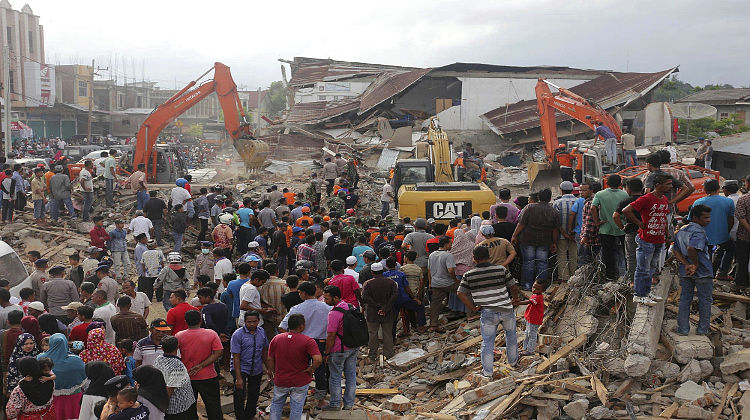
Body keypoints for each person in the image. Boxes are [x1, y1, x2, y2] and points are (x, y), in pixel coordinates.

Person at [457, 246, 520, 375]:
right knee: (512, 337)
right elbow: (513, 287)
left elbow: (460, 293)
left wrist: (472, 308)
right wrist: (515, 299)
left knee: (488, 343)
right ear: (489, 257)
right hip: (506, 309)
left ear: (474, 259)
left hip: (487, 313)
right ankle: (513, 363)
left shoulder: (468, 275)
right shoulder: (501, 269)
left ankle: (488, 373)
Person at [623, 173, 672, 306]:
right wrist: (639, 223)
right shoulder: (646, 198)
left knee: (651, 268)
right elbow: (626, 210)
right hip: (646, 239)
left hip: (658, 239)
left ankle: (646, 292)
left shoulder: (664, 199)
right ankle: (639, 295)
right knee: (642, 268)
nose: (671, 186)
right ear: (658, 185)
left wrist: (666, 235)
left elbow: (663, 219)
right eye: (668, 184)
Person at [278, 281, 331, 403]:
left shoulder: (297, 309)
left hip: (301, 342)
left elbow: (282, 327)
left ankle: (299, 394)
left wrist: (290, 339)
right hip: (321, 342)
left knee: (300, 368)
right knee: (320, 369)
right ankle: (320, 397)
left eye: (300, 292)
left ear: (304, 293)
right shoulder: (327, 308)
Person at [268, 313, 322, 420]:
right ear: (302, 326)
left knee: (276, 405)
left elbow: (270, 359)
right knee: (296, 408)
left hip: (281, 379)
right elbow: (318, 359)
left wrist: (273, 372)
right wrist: (311, 369)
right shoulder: (308, 341)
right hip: (300, 381)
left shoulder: (276, 339)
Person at [175, 310, 224, 420]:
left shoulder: (179, 335)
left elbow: (176, 355)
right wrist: (201, 365)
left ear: (186, 322)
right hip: (208, 376)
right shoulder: (211, 334)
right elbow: (219, 352)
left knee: (189, 407)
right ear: (201, 320)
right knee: (213, 406)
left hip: (187, 376)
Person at [673, 204, 713, 335]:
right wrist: (695, 264)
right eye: (706, 217)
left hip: (686, 271)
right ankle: (703, 329)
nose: (709, 220)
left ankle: (683, 329)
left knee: (685, 298)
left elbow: (675, 251)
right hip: (702, 270)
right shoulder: (699, 231)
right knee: (705, 300)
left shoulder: (682, 230)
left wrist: (686, 264)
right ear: (695, 218)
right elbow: (691, 248)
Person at [511, 188, 559, 289]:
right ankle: (541, 286)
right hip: (544, 241)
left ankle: (528, 285)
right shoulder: (553, 210)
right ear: (550, 198)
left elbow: (521, 224)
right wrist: (554, 242)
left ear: (538, 197)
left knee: (528, 262)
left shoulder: (529, 208)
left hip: (527, 240)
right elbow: (555, 229)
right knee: (542, 263)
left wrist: (514, 235)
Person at [321, 285, 358, 411]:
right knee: (351, 375)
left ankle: (335, 403)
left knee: (335, 377)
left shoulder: (334, 313)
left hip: (339, 349)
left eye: (326, 298)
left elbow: (331, 335)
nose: (325, 301)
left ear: (335, 297)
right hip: (353, 347)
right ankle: (349, 404)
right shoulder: (350, 306)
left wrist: (326, 353)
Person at [691, 179, 735, 280]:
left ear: (705, 189)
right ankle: (722, 273)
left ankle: (707, 275)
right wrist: (725, 232)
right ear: (718, 188)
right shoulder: (728, 201)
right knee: (730, 249)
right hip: (723, 235)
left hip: (704, 235)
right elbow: (731, 220)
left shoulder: (698, 202)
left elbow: (692, 220)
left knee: (707, 254)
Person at [37, 333, 87, 420]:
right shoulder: (76, 360)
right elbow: (83, 378)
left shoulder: (41, 359)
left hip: (49, 399)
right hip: (74, 399)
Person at [231, 311, 271, 420]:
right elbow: (236, 356)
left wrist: (269, 369)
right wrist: (238, 378)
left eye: (254, 321)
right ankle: (240, 416)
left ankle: (249, 415)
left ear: (258, 321)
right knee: (240, 394)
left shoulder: (261, 332)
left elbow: (264, 351)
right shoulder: (238, 334)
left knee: (254, 394)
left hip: (256, 368)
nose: (252, 324)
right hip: (241, 367)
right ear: (245, 322)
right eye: (249, 322)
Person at [591, 175, 629, 280]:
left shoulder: (600, 194)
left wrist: (597, 222)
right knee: (626, 253)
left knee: (608, 254)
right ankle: (627, 275)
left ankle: (610, 276)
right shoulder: (624, 194)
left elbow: (593, 208)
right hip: (622, 227)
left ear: (607, 183)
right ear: (620, 184)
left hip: (605, 228)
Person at [152, 335, 197, 419]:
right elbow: (170, 388)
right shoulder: (177, 365)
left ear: (162, 348)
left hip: (168, 402)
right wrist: (163, 405)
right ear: (177, 347)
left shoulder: (159, 359)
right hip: (177, 405)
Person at [361, 262, 398, 360]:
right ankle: (389, 354)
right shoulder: (391, 283)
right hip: (388, 312)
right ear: (382, 271)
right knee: (387, 334)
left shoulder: (368, 283)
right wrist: (385, 308)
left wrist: (377, 306)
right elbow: (394, 296)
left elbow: (365, 297)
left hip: (373, 313)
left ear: (372, 272)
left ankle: (373, 354)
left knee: (372, 334)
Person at [613, 177, 645, 284]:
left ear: (629, 190)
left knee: (631, 257)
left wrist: (622, 227)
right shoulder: (647, 199)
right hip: (647, 232)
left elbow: (616, 216)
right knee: (647, 256)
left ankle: (633, 281)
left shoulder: (626, 201)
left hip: (631, 232)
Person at [553, 181, 579, 281]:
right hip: (575, 235)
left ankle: (564, 278)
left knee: (562, 255)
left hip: (561, 235)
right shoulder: (579, 201)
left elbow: (556, 222)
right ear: (572, 190)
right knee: (574, 255)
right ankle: (574, 277)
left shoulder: (557, 203)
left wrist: (564, 233)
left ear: (561, 190)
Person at [519, 281, 545, 355]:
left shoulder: (538, 297)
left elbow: (529, 302)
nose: (534, 289)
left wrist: (519, 302)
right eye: (533, 287)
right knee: (527, 334)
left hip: (534, 320)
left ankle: (530, 350)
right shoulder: (534, 295)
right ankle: (525, 348)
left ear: (542, 290)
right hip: (530, 318)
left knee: (532, 335)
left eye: (537, 289)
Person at [736, 176, 750, 288]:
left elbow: (741, 217)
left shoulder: (744, 199)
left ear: (747, 184)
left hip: (744, 236)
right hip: (744, 236)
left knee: (742, 260)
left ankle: (742, 283)